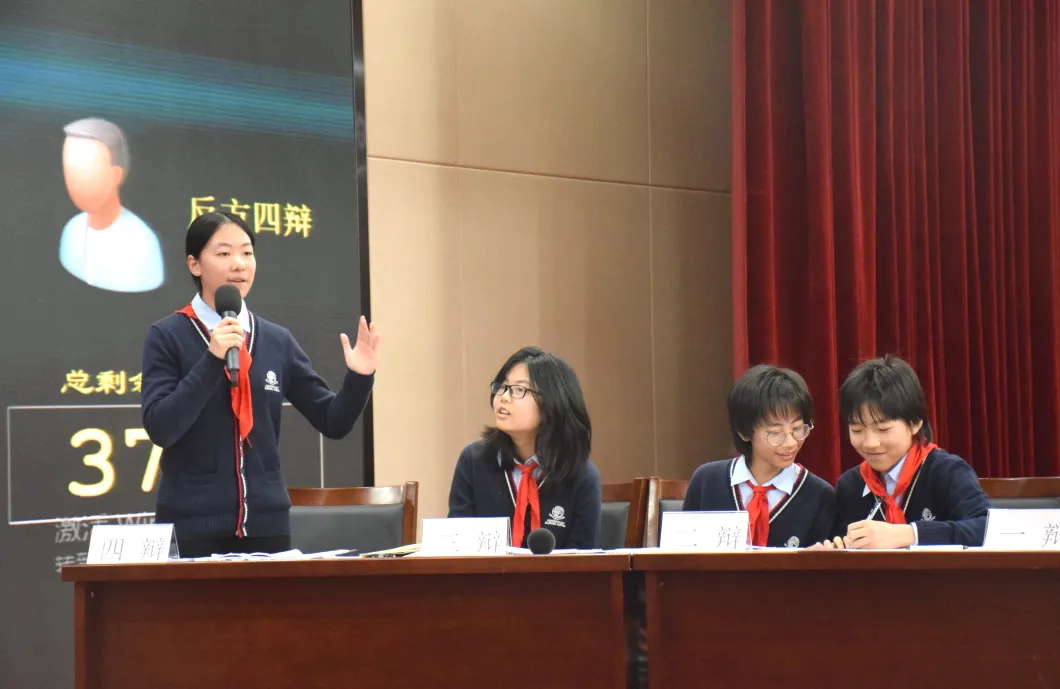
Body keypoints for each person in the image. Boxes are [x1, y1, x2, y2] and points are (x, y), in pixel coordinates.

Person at [141, 211, 378, 557]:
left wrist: (360, 377)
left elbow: (333, 421)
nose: (239, 264)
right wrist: (212, 359)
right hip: (192, 529)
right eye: (224, 253)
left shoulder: (276, 340)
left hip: (268, 530)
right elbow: (161, 427)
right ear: (195, 265)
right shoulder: (167, 336)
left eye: (247, 252)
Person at [824, 355, 989, 549]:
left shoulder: (947, 471)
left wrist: (911, 534)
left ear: (915, 423)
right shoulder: (850, 486)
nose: (870, 443)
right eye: (857, 430)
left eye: (883, 429)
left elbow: (986, 528)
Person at [448, 347, 601, 549]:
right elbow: (457, 549)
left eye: (519, 390)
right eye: (502, 386)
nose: (504, 397)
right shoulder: (474, 461)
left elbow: (584, 561)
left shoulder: (581, 475)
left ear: (553, 402)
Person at [682, 364, 835, 548]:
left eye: (797, 429)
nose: (791, 443)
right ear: (744, 432)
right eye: (775, 433)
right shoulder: (707, 481)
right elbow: (681, 554)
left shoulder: (819, 495)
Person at [59, 118, 164, 292]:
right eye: (70, 171)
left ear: (116, 175)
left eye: (87, 171)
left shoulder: (141, 244)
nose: (76, 183)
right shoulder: (72, 230)